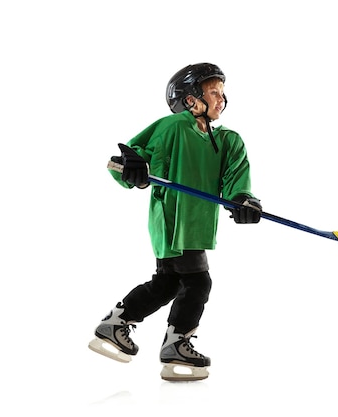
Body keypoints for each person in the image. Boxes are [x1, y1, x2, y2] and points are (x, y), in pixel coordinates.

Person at [88, 63, 262, 381]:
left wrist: (244, 201)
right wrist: (134, 167)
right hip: (171, 219)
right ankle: (175, 344)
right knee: (198, 282)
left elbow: (237, 178)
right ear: (190, 100)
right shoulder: (173, 128)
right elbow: (132, 160)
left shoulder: (229, 140)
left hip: (197, 223)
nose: (221, 99)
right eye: (213, 92)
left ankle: (115, 325)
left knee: (168, 283)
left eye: (223, 93)